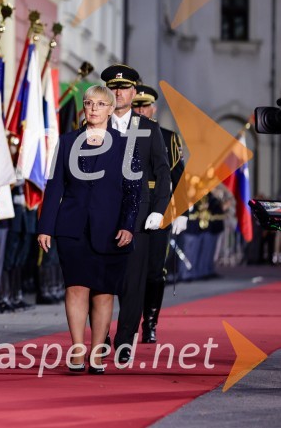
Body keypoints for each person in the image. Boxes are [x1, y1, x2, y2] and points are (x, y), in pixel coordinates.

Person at [38, 85, 142, 374]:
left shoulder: (125, 144)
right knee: (75, 289)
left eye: (100, 104)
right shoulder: (68, 141)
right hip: (72, 227)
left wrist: (128, 226)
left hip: (111, 230)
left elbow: (134, 192)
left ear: (111, 109)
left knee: (104, 293)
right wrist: (45, 227)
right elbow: (55, 184)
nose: (93, 108)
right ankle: (77, 349)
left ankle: (97, 354)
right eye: (88, 103)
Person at [100, 66, 171, 365]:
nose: (118, 93)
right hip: (101, 215)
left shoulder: (149, 128)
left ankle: (125, 339)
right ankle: (100, 338)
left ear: (133, 92)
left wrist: (158, 210)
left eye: (124, 88)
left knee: (133, 283)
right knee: (99, 281)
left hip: (138, 217)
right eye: (113, 89)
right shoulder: (94, 124)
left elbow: (163, 172)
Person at [131, 85, 188, 343]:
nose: (141, 110)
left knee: (155, 270)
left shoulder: (167, 138)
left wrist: (182, 211)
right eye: (137, 106)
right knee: (126, 271)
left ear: (153, 108)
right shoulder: (122, 134)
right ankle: (126, 323)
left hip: (158, 209)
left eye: (145, 106)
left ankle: (150, 323)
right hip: (129, 208)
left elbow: (179, 178)